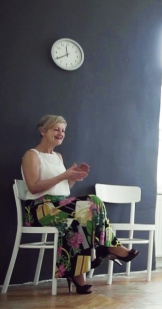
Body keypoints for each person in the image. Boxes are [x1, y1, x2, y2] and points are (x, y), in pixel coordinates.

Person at [21, 115, 140, 294]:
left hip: (59, 207)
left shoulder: (58, 156)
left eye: (63, 130)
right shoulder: (32, 155)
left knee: (81, 223)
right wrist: (64, 175)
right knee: (94, 201)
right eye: (56, 129)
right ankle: (108, 246)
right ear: (43, 131)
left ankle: (78, 276)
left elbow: (63, 190)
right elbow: (33, 187)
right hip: (39, 210)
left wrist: (74, 178)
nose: (61, 133)